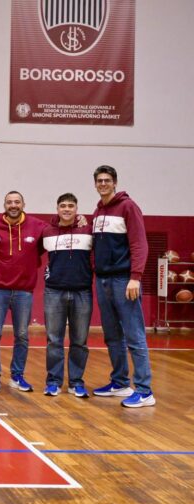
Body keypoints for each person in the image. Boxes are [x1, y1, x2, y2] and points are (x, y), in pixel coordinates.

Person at [91, 165, 154, 407]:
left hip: (124, 280)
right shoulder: (98, 211)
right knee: (112, 336)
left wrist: (135, 277)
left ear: (115, 182)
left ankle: (145, 391)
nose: (103, 184)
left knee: (134, 336)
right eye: (99, 181)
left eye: (107, 180)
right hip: (103, 280)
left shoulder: (128, 207)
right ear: (95, 184)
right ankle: (119, 383)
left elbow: (139, 244)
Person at [0, 191, 48, 393]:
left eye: (17, 202)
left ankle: (17, 376)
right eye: (9, 202)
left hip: (24, 291)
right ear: (4, 205)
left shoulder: (38, 226)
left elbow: (58, 229)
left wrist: (80, 220)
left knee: (22, 335)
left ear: (23, 204)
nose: (13, 205)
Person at [42, 193, 93, 397]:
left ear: (76, 209)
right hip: (54, 291)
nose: (66, 209)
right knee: (54, 340)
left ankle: (76, 382)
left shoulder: (88, 230)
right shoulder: (47, 231)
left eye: (71, 206)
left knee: (79, 341)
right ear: (57, 209)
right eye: (63, 206)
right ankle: (53, 382)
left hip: (82, 291)